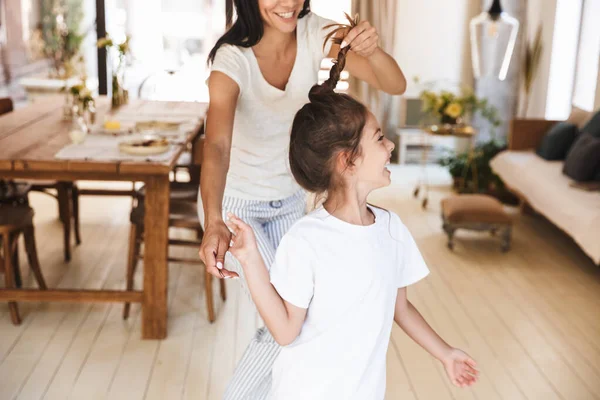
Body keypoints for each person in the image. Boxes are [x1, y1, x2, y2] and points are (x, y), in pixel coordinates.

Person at [223, 45, 479, 399]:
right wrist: (251, 259)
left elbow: (399, 307)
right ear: (348, 161)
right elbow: (284, 331)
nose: (390, 145)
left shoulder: (391, 229)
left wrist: (445, 353)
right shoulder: (305, 239)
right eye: (379, 138)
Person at [198, 0, 406, 398]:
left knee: (291, 319)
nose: (288, 3)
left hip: (291, 202)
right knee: (289, 320)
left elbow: (395, 84)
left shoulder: (315, 33)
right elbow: (217, 146)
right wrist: (213, 222)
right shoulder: (232, 59)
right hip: (237, 209)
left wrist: (372, 49)